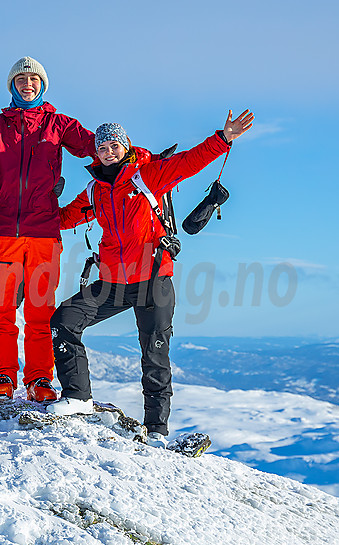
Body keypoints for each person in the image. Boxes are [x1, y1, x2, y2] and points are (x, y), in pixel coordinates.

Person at [46, 111, 255, 447]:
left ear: (125, 146)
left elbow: (189, 162)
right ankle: (77, 397)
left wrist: (223, 138)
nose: (109, 151)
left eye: (114, 145)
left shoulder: (147, 176)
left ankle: (156, 431)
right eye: (102, 147)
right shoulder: (95, 190)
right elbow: (65, 217)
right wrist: (39, 202)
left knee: (154, 355)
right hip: (113, 283)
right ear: (95, 153)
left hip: (153, 281)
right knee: (64, 320)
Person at [0, 56, 96, 403]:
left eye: (34, 79)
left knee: (40, 313)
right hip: (1, 232)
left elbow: (103, 150)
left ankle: (40, 379)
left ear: (43, 85)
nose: (27, 85)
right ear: (11, 85)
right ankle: (2, 376)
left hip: (44, 233)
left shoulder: (59, 125)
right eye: (20, 79)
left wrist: (142, 162)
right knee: (0, 311)